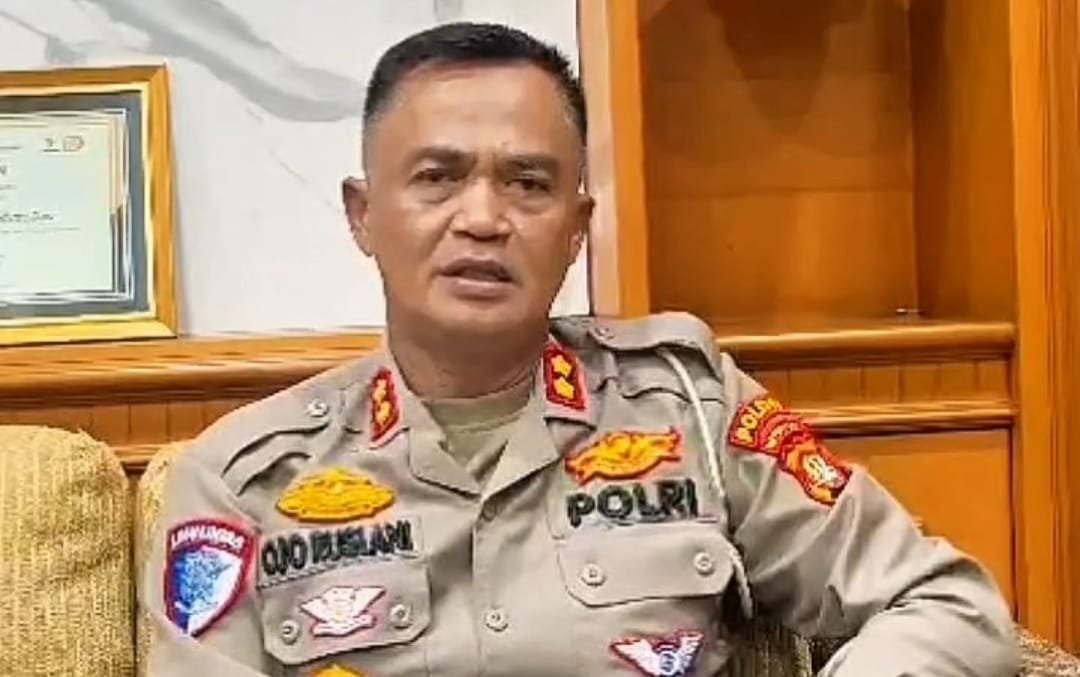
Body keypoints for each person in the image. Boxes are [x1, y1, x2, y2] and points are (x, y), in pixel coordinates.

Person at [142, 21, 1020, 677]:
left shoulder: (693, 410)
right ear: (364, 215)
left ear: (576, 228)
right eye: (438, 178)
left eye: (528, 183)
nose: (483, 218)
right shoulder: (244, 479)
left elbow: (947, 603)